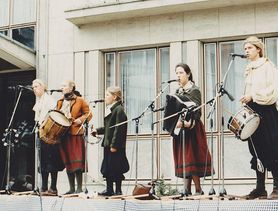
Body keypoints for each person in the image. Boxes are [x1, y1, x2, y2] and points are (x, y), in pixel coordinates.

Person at [240, 36, 278, 200]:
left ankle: (276, 187)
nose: (246, 51)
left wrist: (253, 95)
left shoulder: (268, 66)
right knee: (256, 149)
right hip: (253, 110)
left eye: (249, 48)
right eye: (245, 49)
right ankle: (260, 188)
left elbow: (273, 89)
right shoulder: (250, 68)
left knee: (272, 147)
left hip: (267, 110)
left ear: (258, 49)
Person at [172, 63, 213, 195]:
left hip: (192, 128)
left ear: (188, 74)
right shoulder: (177, 91)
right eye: (177, 73)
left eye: (181, 73)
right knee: (185, 158)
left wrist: (189, 123)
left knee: (192, 156)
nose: (178, 76)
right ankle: (187, 189)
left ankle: (198, 189)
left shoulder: (194, 90)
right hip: (181, 128)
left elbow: (197, 110)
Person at [91, 86, 129, 196]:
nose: (105, 97)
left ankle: (118, 190)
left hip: (115, 146)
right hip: (108, 144)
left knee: (116, 167)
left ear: (114, 97)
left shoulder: (119, 110)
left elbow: (119, 129)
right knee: (108, 167)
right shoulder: (111, 109)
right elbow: (109, 128)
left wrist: (114, 145)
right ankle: (109, 189)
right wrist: (97, 131)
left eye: (107, 95)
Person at [57, 80, 92, 194]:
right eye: (62, 85)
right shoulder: (59, 101)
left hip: (76, 133)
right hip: (63, 134)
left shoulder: (80, 100)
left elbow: (89, 113)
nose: (62, 87)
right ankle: (71, 188)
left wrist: (80, 120)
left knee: (77, 161)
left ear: (71, 87)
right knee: (68, 160)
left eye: (64, 85)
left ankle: (79, 188)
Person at [32, 79, 64, 196]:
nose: (34, 89)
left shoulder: (50, 100)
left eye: (36, 86)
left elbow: (52, 116)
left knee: (52, 161)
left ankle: (53, 187)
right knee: (43, 161)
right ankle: (44, 186)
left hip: (50, 134)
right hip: (41, 133)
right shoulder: (39, 101)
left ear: (43, 87)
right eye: (33, 87)